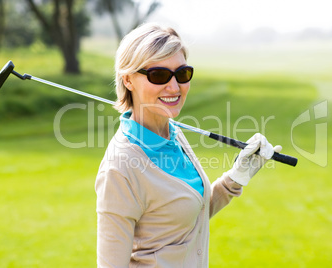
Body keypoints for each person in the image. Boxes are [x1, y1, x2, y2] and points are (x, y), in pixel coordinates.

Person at [95, 23, 282, 267]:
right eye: (159, 75)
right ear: (128, 79)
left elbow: (186, 217)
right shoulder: (118, 170)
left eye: (182, 74)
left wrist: (236, 177)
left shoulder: (171, 132)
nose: (174, 87)